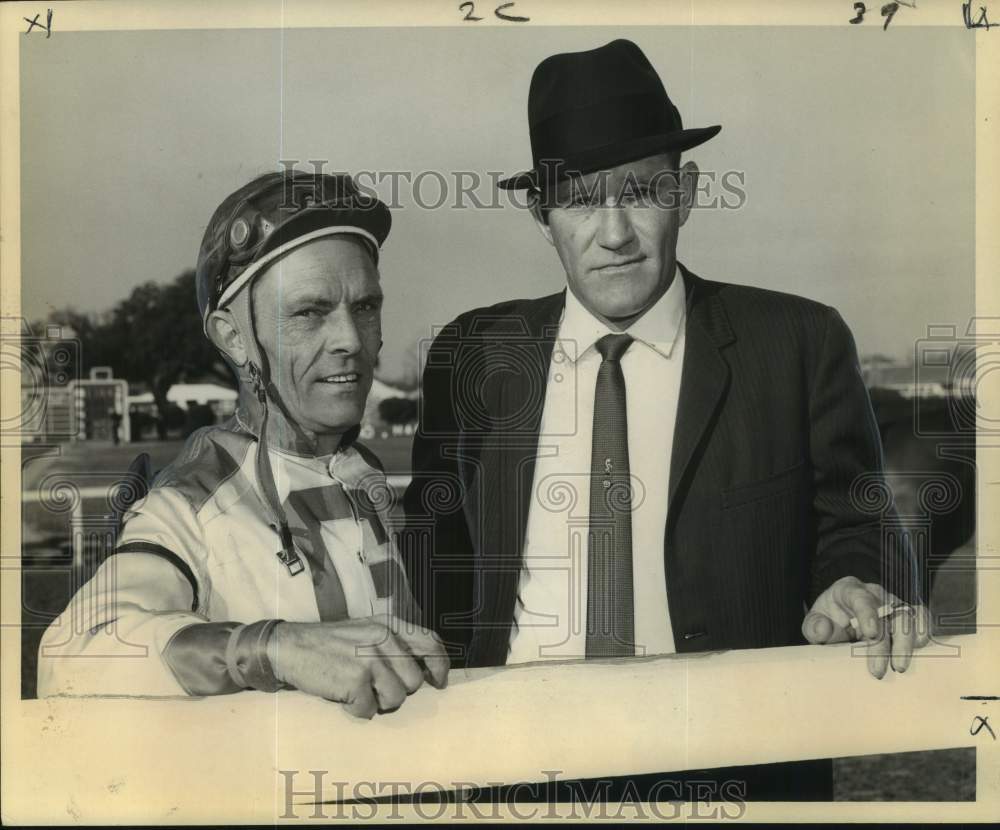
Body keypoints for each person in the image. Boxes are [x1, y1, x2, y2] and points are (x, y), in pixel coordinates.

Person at [402, 39, 926, 798]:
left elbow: (859, 523)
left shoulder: (797, 343)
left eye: (642, 192)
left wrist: (856, 582)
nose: (614, 233)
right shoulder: (475, 354)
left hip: (734, 771)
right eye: (580, 199)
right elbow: (434, 546)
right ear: (539, 212)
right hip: (516, 771)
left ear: (684, 192)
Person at [38, 171, 448, 717]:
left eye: (365, 307)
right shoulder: (192, 500)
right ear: (233, 336)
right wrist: (273, 647)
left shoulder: (358, 469)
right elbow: (69, 660)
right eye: (309, 312)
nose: (351, 340)